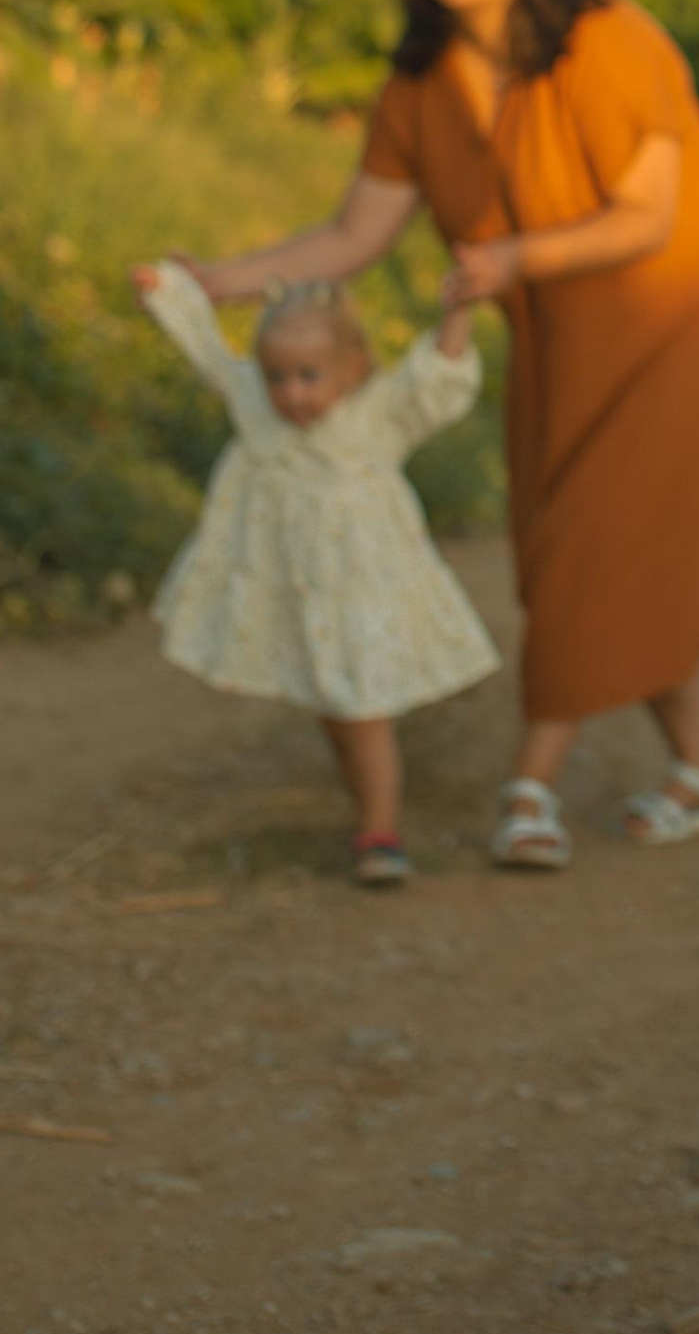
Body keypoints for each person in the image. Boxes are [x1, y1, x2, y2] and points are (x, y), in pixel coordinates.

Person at [177, 0, 699, 870]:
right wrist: (216, 281)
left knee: (599, 540)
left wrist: (514, 255)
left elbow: (647, 217)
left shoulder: (605, 40)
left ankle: (530, 789)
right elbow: (350, 238)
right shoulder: (417, 86)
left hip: (690, 308)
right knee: (583, 549)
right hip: (565, 324)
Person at [133, 260, 498, 886]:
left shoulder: (376, 414)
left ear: (353, 369)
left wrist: (459, 309)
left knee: (362, 706)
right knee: (334, 705)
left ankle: (381, 832)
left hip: (360, 589)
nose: (291, 394)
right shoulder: (257, 405)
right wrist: (169, 293)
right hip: (297, 589)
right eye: (276, 377)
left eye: (309, 376)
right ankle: (366, 811)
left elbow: (433, 380)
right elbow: (209, 354)